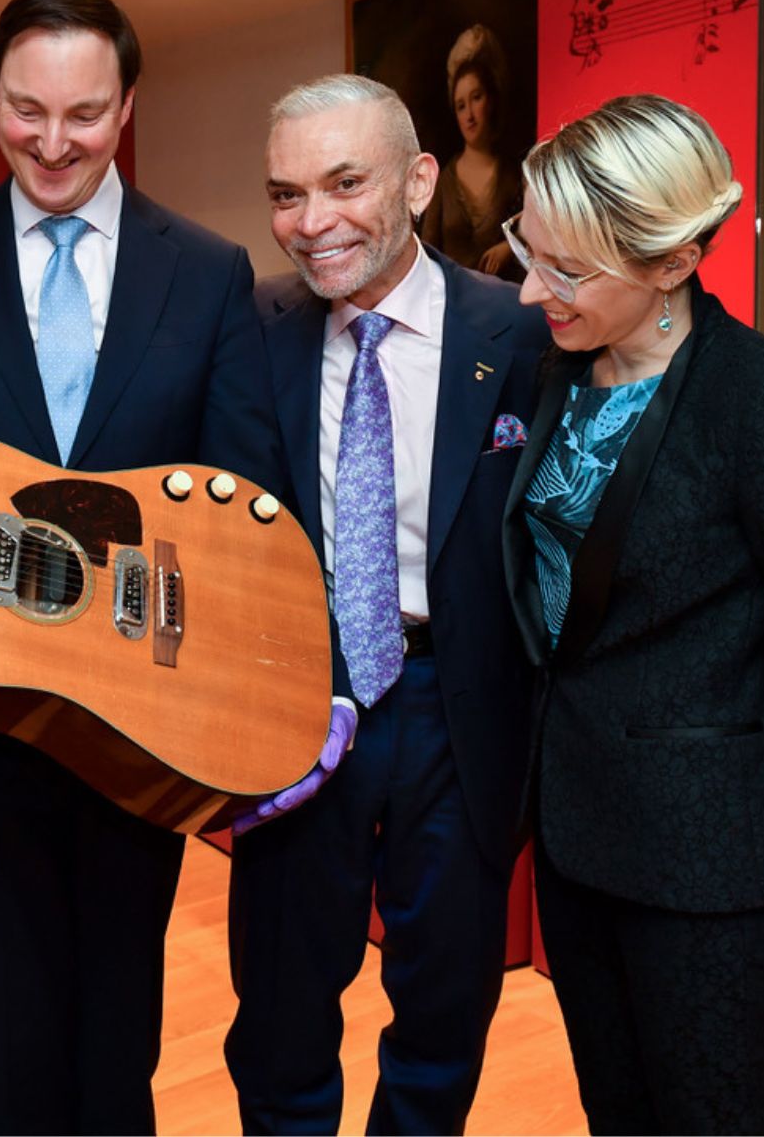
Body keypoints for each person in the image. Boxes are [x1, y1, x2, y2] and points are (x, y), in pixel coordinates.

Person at [0, 0, 283, 1135]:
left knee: (117, 1050)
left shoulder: (208, 270)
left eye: (81, 114)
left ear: (126, 104)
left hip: (144, 725)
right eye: (23, 110)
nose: (50, 141)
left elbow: (237, 500)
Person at [501, 94, 764, 1134]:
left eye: (567, 270)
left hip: (713, 874)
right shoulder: (554, 375)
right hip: (578, 844)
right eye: (528, 249)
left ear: (673, 260)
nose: (530, 287)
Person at [225, 73, 550, 1134]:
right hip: (294, 714)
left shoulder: (523, 338)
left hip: (457, 717)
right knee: (277, 1011)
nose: (308, 223)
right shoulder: (252, 330)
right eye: (283, 193)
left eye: (342, 182)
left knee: (443, 1011)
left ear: (414, 183)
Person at [417, 25, 521, 277]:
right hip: (454, 305)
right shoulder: (444, 182)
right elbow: (426, 252)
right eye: (461, 106)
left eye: (476, 98)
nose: (470, 116)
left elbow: (538, 236)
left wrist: (510, 247)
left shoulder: (512, 176)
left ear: (491, 100)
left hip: (506, 302)